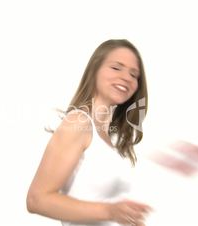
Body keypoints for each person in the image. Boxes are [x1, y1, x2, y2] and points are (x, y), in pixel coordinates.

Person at [26, 39, 152, 226]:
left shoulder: (110, 141)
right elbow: (37, 199)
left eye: (134, 74)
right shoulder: (79, 123)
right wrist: (111, 211)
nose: (127, 77)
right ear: (94, 70)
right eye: (116, 68)